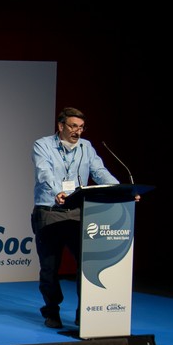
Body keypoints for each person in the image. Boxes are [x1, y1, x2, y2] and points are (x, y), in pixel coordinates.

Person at [30, 107, 121, 330]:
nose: (77, 131)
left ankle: (85, 314)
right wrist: (58, 191)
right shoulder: (43, 145)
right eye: (73, 126)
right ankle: (52, 311)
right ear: (61, 126)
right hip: (50, 212)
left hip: (78, 213)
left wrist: (121, 190)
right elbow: (44, 172)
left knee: (86, 266)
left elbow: (99, 172)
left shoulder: (86, 147)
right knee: (50, 268)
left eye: (81, 127)